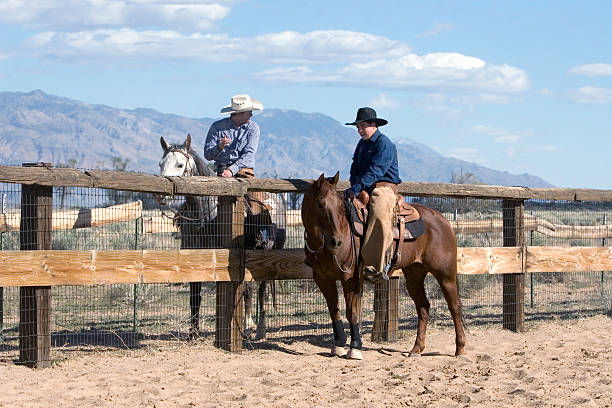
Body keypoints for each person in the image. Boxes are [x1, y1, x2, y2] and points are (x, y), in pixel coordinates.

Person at [344, 107, 402, 280]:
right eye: (358, 128)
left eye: (363, 127)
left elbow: (377, 170)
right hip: (364, 186)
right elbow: (355, 166)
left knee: (378, 209)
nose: (360, 131)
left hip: (384, 187)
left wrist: (356, 187)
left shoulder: (385, 144)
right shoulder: (362, 144)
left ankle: (376, 265)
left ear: (374, 125)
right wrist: (354, 185)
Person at [204, 94, 263, 178]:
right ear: (240, 113)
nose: (251, 115)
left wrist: (232, 170)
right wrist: (219, 147)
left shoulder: (253, 128)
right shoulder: (217, 127)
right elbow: (207, 155)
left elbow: (249, 154)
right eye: (249, 112)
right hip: (220, 171)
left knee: (254, 190)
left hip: (244, 171)